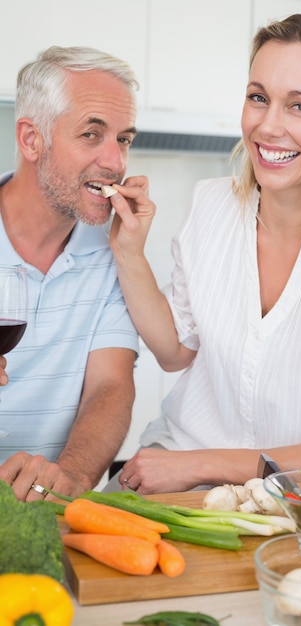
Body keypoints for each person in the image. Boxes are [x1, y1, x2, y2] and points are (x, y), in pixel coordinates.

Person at [106, 13, 301, 494]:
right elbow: (175, 351)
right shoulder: (211, 205)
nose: (267, 126)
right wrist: (129, 251)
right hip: (175, 470)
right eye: (258, 98)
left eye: (300, 107)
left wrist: (205, 465)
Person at [0, 46, 141, 501]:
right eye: (91, 134)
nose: (116, 162)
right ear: (30, 139)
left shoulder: (113, 252)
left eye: (123, 139)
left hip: (52, 509)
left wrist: (72, 480)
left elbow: (111, 384)